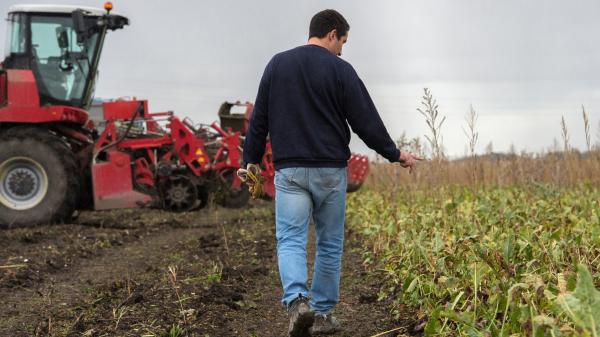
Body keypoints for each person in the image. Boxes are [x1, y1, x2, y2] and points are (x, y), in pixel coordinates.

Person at [243, 9, 422, 337]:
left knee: (291, 239)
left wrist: (250, 161)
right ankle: (323, 316)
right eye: (343, 41)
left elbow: (259, 121)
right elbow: (365, 121)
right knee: (328, 243)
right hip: (329, 171)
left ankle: (297, 302)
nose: (342, 49)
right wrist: (395, 154)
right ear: (332, 33)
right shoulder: (341, 70)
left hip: (291, 171)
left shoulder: (277, 65)